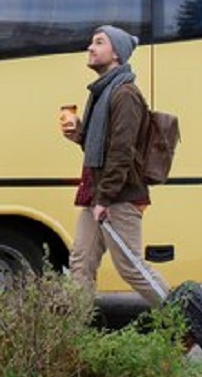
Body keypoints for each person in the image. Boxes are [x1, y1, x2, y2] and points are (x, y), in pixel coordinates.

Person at [62, 25, 166, 305]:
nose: (90, 47)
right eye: (91, 42)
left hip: (118, 194)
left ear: (117, 53)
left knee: (131, 267)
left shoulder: (125, 94)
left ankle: (184, 322)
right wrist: (80, 135)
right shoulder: (101, 92)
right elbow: (104, 147)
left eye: (99, 42)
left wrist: (105, 198)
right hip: (98, 191)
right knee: (81, 262)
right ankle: (72, 334)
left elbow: (121, 152)